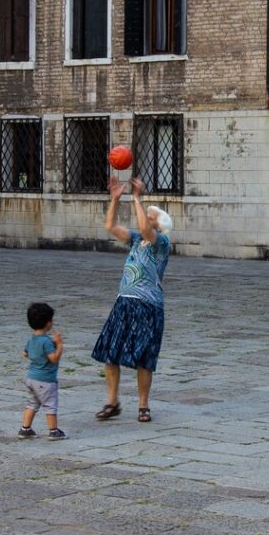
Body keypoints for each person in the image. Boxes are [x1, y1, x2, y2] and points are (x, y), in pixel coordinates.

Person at [92, 176, 173, 423]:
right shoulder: (136, 241)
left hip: (148, 305)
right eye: (146, 216)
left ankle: (143, 405)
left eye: (150, 217)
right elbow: (110, 226)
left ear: (160, 226)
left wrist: (136, 198)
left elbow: (147, 230)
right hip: (125, 301)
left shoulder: (162, 242)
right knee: (110, 352)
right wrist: (115, 200)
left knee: (145, 359)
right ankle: (112, 401)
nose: (145, 221)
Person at [19, 302, 66, 440]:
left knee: (32, 403)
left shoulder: (32, 339)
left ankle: (25, 428)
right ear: (48, 323)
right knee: (50, 405)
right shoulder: (47, 342)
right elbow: (54, 359)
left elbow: (25, 354)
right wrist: (59, 345)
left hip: (31, 378)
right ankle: (53, 431)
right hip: (45, 381)